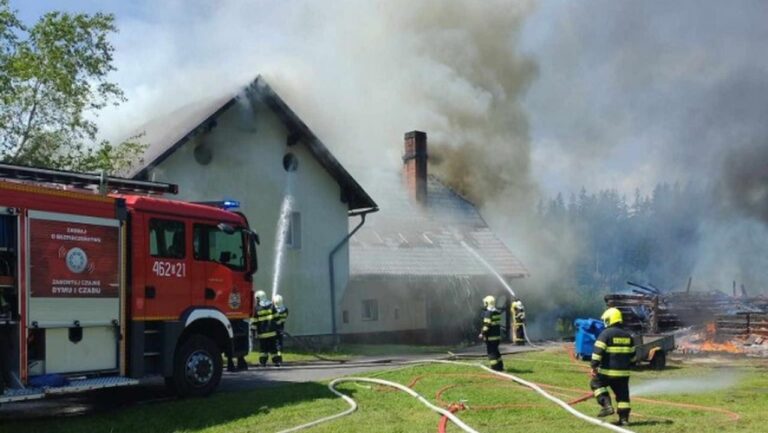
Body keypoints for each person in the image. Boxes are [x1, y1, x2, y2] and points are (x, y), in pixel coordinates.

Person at [590, 307, 636, 426]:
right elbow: (633, 356)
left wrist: (594, 366)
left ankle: (607, 405)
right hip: (624, 374)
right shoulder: (628, 336)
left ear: (609, 320)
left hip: (607, 372)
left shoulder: (606, 334)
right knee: (623, 396)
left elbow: (597, 352)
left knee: (596, 384)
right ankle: (624, 419)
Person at [252, 290, 279, 367]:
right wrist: (278, 329)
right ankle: (276, 362)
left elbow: (254, 322)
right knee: (274, 349)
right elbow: (277, 318)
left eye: (257, 298)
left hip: (262, 334)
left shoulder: (257, 308)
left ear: (259, 298)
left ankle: (263, 362)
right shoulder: (272, 305)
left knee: (263, 349)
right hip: (272, 333)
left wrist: (253, 332)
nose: (256, 300)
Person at [478, 295, 504, 371]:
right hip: (497, 337)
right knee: (496, 351)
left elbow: (487, 325)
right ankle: (500, 366)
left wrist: (482, 333)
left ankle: (494, 367)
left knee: (491, 353)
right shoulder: (497, 312)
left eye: (485, 302)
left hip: (490, 337)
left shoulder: (488, 313)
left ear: (487, 303)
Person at [273, 294, 289, 366]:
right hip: (281, 329)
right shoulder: (285, 310)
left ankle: (276, 360)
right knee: (279, 344)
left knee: (274, 344)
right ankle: (279, 358)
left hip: (274, 330)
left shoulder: (274, 310)